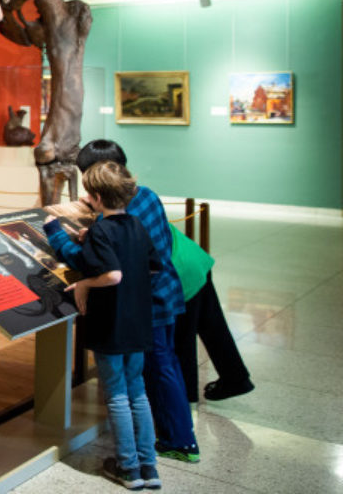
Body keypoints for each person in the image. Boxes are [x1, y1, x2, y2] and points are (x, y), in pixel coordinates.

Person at [45, 139, 201, 465]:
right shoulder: (146, 197)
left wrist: (60, 235)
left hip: (147, 302)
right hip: (166, 292)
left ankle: (179, 441)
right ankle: (171, 435)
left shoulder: (110, 220)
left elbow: (96, 262)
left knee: (159, 368)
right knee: (164, 364)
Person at [47, 160, 161, 490]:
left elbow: (111, 274)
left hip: (111, 325)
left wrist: (84, 280)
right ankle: (147, 466)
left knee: (116, 396)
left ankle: (127, 467)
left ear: (95, 197)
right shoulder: (137, 225)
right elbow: (153, 267)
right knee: (137, 392)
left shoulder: (100, 230)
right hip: (138, 324)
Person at [169, 223, 255, 401]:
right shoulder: (141, 196)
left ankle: (185, 394)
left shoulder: (108, 215)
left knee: (182, 336)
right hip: (194, 259)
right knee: (212, 324)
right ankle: (236, 377)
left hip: (179, 273)